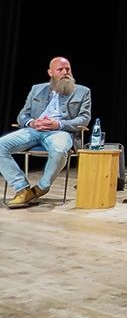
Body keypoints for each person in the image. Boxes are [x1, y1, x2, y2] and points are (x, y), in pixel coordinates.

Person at [0, 57, 91, 208]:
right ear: (50, 72)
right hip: (34, 130)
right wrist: (32, 122)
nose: (65, 72)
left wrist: (59, 124)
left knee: (59, 149)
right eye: (60, 69)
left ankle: (41, 187)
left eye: (68, 69)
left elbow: (84, 119)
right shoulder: (37, 89)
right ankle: (22, 188)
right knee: (1, 145)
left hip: (61, 131)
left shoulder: (82, 91)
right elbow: (22, 115)